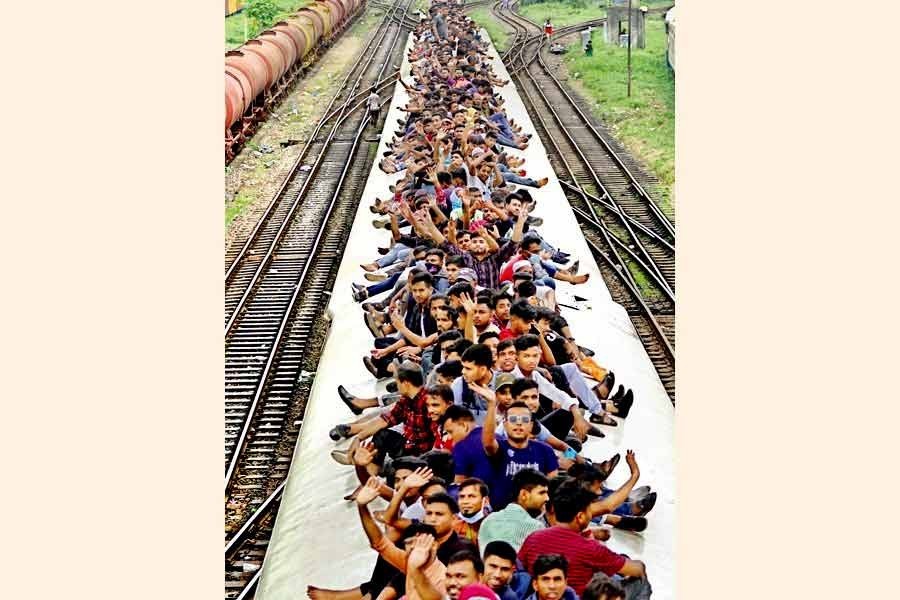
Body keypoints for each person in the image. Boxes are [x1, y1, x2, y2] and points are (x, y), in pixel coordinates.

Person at [518, 479, 648, 596]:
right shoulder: (590, 548)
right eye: (589, 511)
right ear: (580, 516)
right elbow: (637, 570)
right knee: (640, 582)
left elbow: (520, 569)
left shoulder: (533, 538)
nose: (591, 515)